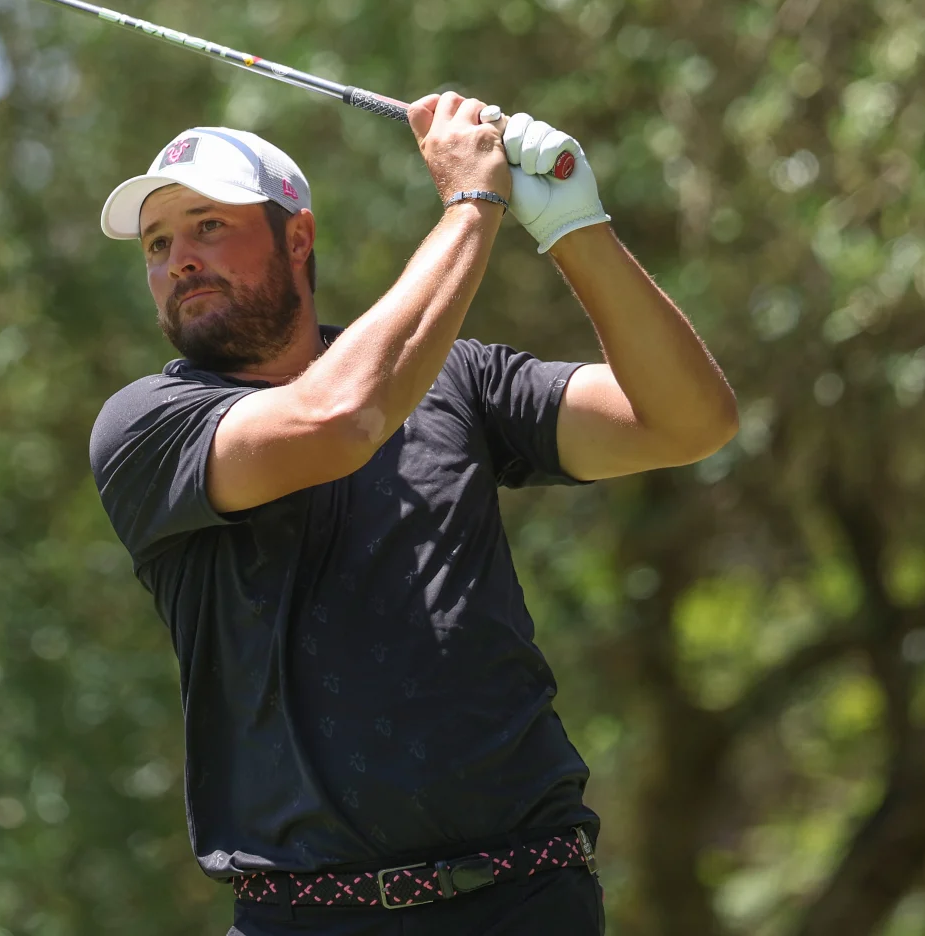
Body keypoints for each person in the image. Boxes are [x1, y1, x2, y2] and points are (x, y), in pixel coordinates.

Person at [87, 92, 738, 935]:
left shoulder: (457, 379)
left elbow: (689, 422)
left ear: (297, 238)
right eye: (157, 243)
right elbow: (338, 419)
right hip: (309, 917)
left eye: (208, 226)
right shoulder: (146, 425)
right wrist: (472, 204)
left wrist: (575, 227)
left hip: (528, 898)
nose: (179, 259)